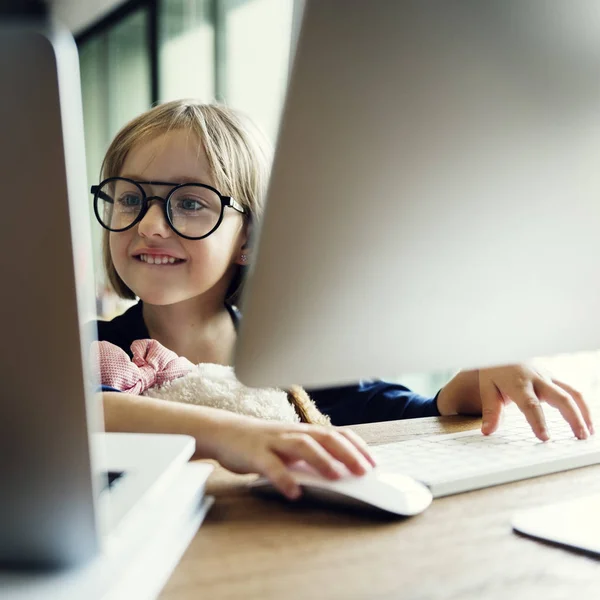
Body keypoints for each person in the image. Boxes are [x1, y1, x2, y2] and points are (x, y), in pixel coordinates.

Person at [92, 100, 594, 499]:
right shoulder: (90, 349)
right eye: (131, 198)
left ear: (249, 239)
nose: (150, 225)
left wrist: (476, 382)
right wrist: (233, 435)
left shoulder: (288, 353)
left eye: (190, 202)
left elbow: (397, 413)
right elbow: (87, 414)